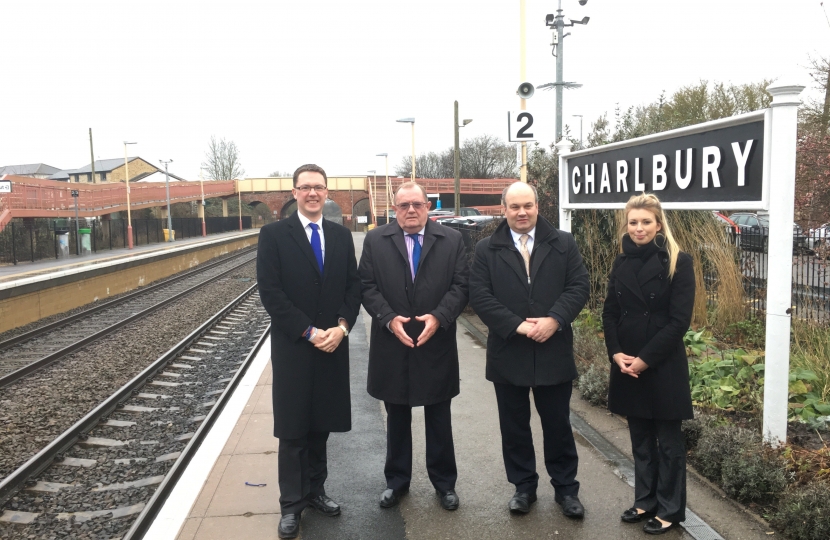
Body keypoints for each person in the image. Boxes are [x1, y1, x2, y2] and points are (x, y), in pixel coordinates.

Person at [469, 182, 590, 518]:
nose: (522, 213)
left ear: (538, 206)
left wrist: (555, 319)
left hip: (553, 349)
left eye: (528, 206)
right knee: (514, 426)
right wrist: (518, 325)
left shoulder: (563, 243)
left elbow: (579, 285)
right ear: (503, 208)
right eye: (514, 207)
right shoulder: (486, 249)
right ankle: (524, 488)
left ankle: (566, 490)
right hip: (509, 352)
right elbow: (479, 295)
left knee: (558, 425)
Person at [256, 164, 361, 539]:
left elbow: (354, 287)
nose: (312, 193)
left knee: (321, 426)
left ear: (327, 192)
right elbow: (271, 293)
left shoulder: (340, 236)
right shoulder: (273, 235)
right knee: (294, 430)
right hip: (296, 347)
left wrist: (342, 327)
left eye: (318, 187)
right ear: (295, 193)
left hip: (333, 343)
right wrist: (308, 330)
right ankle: (291, 505)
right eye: (305, 187)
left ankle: (316, 491)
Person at [359, 182, 469, 511]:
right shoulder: (376, 240)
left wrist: (439, 317)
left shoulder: (451, 240)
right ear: (395, 209)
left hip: (435, 342)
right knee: (396, 416)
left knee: (438, 415)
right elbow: (366, 286)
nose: (411, 210)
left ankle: (444, 484)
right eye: (404, 205)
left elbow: (461, 285)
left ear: (427, 207)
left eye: (417, 205)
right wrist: (388, 318)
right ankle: (397, 481)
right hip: (393, 343)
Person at [602, 193, 695, 535]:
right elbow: (610, 311)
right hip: (626, 361)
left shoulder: (678, 261)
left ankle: (670, 509)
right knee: (640, 438)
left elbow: (679, 321)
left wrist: (644, 360)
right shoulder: (621, 262)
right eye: (633, 222)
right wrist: (616, 352)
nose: (639, 228)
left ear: (658, 225)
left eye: (646, 222)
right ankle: (646, 500)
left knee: (668, 443)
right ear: (626, 225)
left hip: (662, 362)